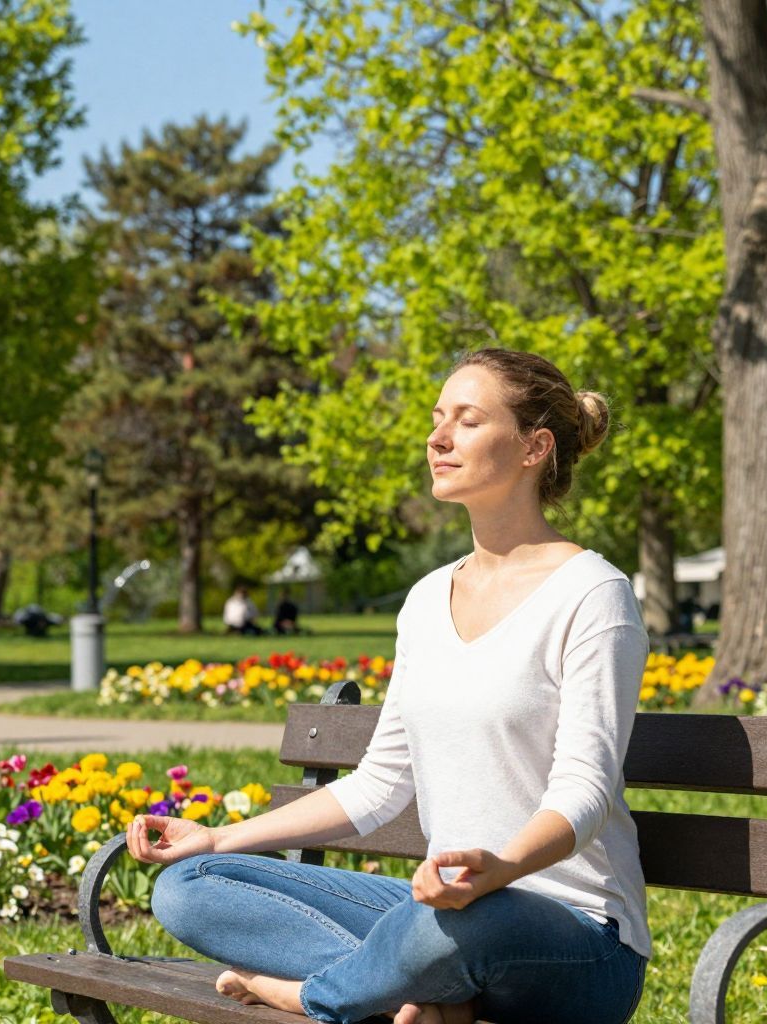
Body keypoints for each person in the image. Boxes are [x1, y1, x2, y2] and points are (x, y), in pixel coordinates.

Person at [132, 348, 650, 1024]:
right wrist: (220, 838)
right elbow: (380, 785)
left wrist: (500, 867)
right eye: (437, 419)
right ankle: (428, 993)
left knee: (454, 929)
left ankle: (322, 995)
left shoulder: (593, 594)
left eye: (466, 421)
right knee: (188, 889)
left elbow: (583, 791)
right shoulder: (428, 599)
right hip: (439, 912)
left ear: (534, 446)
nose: (437, 439)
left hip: (572, 937)